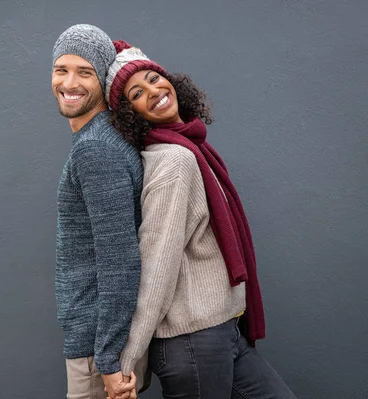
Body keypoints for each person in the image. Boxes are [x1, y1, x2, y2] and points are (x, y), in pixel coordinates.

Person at [101, 40, 297, 399]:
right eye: (137, 93)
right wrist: (128, 358)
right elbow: (157, 263)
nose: (154, 91)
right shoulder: (175, 161)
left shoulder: (193, 147)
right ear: (132, 114)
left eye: (153, 78)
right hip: (192, 342)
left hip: (222, 331)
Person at [51, 26, 150, 399]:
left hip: (97, 349)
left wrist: (108, 360)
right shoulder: (102, 138)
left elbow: (119, 259)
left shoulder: (96, 149)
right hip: (99, 342)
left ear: (103, 80)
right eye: (61, 69)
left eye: (85, 71)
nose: (69, 82)